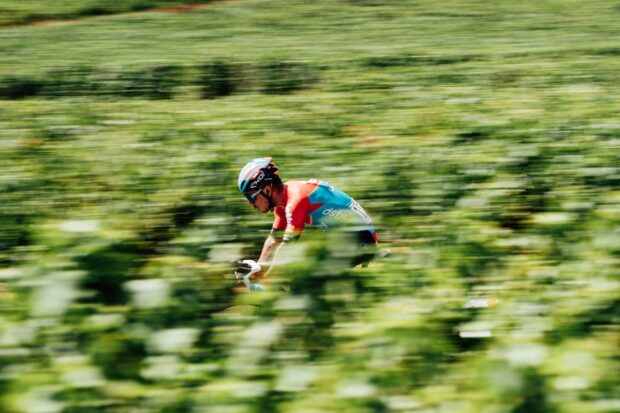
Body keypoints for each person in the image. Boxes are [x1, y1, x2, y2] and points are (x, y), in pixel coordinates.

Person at [237, 157, 378, 287]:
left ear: (267, 190)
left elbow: (287, 245)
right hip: (346, 239)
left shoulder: (296, 199)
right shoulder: (283, 205)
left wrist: (266, 280)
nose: (251, 204)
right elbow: (274, 240)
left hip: (361, 240)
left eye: (251, 198)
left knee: (302, 277)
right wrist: (259, 268)